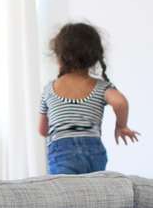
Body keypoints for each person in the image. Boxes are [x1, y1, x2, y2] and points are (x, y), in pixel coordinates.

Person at [37, 22, 138, 175]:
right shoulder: (101, 87)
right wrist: (121, 126)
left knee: (64, 194)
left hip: (62, 151)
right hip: (94, 151)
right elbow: (120, 102)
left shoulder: (49, 90)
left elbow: (43, 130)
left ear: (59, 57)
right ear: (94, 57)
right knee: (93, 191)